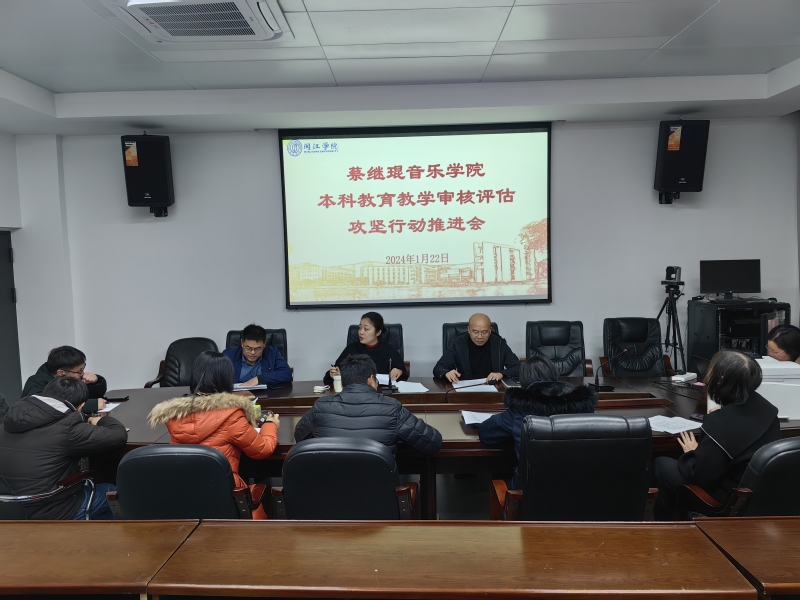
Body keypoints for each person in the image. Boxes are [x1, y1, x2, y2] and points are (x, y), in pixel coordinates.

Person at [148, 351, 279, 519]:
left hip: (186, 499)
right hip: (226, 497)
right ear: (226, 379)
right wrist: (270, 425)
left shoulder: (175, 415)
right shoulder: (231, 415)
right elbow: (262, 449)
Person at [653, 350, 780, 520]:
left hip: (729, 501)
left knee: (661, 463)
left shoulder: (720, 423)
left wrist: (692, 452)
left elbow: (699, 477)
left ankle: (670, 525)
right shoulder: (768, 409)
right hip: (761, 495)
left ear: (720, 380)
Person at [0, 376, 127, 520]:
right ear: (81, 406)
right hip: (49, 510)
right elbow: (118, 436)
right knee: (112, 492)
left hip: (7, 509)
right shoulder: (69, 427)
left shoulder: (8, 420)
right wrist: (102, 420)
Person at [478, 356, 598, 488]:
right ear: (554, 373)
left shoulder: (520, 406)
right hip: (580, 487)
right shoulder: (583, 403)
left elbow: (485, 433)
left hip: (530, 492)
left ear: (523, 379)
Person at [298, 354, 442, 455]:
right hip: (379, 488)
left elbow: (299, 435)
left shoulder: (321, 406)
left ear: (341, 384)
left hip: (329, 487)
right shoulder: (391, 408)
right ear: (371, 379)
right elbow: (432, 443)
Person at [433, 313, 520, 383]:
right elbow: (438, 368)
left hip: (493, 388)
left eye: (484, 332)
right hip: (466, 389)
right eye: (475, 332)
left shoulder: (499, 343)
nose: (480, 336)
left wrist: (501, 374)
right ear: (469, 330)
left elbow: (518, 368)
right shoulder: (459, 343)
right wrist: (446, 373)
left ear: (490, 330)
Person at [325, 312, 407, 385]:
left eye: (366, 329)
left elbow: (404, 375)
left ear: (378, 332)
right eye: (360, 328)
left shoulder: (389, 351)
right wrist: (333, 374)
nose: (361, 332)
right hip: (355, 392)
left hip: (381, 393)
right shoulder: (351, 349)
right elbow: (334, 372)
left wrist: (399, 372)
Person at [21, 346, 107, 414]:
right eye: (79, 371)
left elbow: (92, 394)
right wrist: (91, 405)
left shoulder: (69, 377)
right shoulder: (36, 385)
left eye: (83, 368)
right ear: (61, 372)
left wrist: (95, 382)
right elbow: (50, 407)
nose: (82, 373)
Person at [223, 324, 293, 386]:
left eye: (258, 349)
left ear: (264, 344)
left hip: (266, 395)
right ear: (242, 343)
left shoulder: (272, 353)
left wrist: (260, 379)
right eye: (248, 348)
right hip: (237, 396)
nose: (253, 352)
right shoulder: (228, 356)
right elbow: (218, 379)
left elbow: (287, 374)